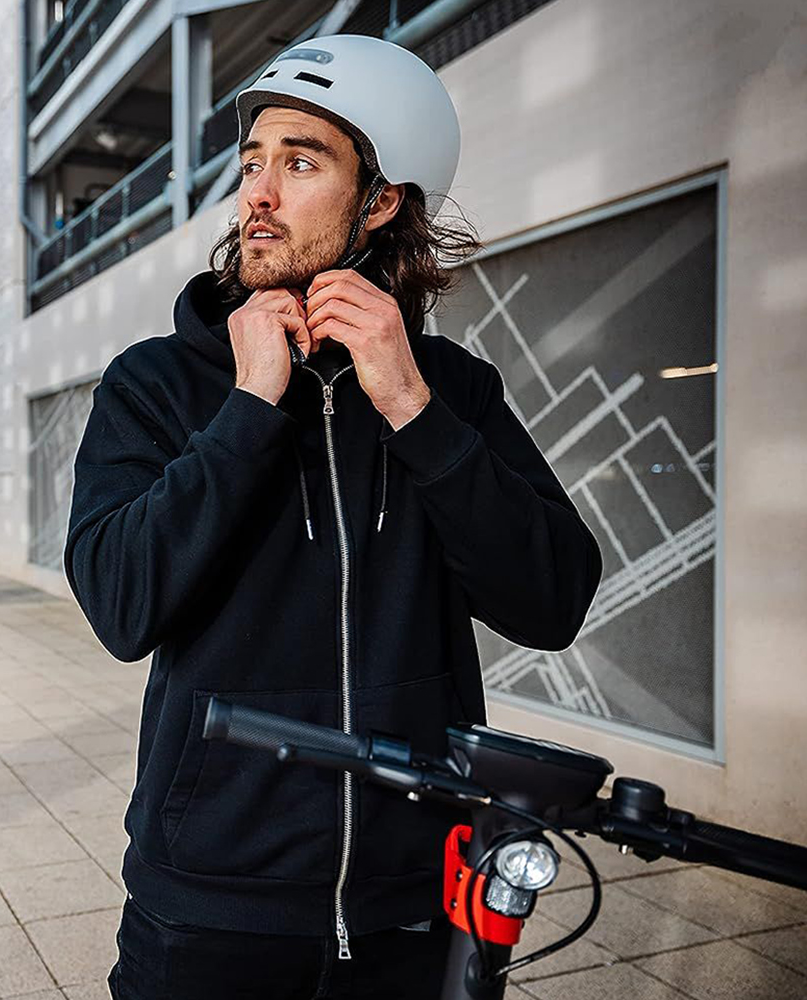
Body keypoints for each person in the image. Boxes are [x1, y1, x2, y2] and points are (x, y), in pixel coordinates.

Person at [63, 34, 603, 999]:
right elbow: (120, 604)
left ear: (380, 201)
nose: (259, 195)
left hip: (415, 899)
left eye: (302, 162)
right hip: (211, 903)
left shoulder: (452, 390)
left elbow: (553, 601)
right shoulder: (156, 383)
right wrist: (246, 412)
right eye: (252, 165)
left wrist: (413, 411)